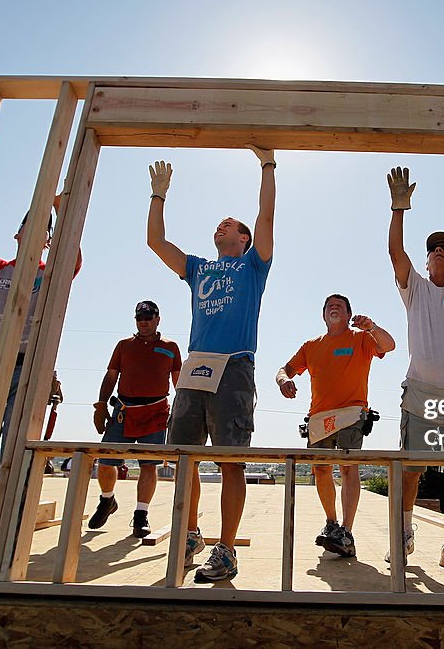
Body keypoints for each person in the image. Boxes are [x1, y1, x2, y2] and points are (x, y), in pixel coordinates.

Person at [145, 145, 276, 583]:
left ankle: (226, 549)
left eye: (231, 224)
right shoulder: (199, 268)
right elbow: (156, 243)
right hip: (195, 368)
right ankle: (190, 533)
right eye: (219, 224)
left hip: (235, 367)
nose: (221, 225)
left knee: (231, 461)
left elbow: (266, 217)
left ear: (243, 239)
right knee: (183, 458)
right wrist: (158, 195)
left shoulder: (253, 266)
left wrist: (267, 162)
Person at [0, 194, 82, 536]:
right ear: (17, 235)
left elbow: (73, 259)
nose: (37, 228)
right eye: (29, 223)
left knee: (16, 454)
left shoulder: (50, 274)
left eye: (45, 227)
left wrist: (60, 207)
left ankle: (5, 535)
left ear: (49, 241)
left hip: (26, 373)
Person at [386, 166, 444, 575]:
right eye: (433, 249)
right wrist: (398, 207)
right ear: (426, 264)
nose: (438, 251)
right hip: (421, 392)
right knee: (410, 472)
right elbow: (395, 253)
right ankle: (405, 534)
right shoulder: (418, 290)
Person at [276, 294, 395, 558]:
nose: (333, 307)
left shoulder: (361, 339)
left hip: (351, 414)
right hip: (319, 418)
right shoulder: (311, 346)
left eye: (339, 305)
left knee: (348, 468)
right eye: (329, 305)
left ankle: (347, 531)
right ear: (323, 315)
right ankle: (332, 524)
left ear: (348, 313)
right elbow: (284, 369)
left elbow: (390, 345)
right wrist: (283, 380)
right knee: (320, 470)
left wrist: (371, 327)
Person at [88, 301, 181, 537]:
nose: (144, 321)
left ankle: (141, 515)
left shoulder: (171, 347)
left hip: (156, 411)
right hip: (123, 410)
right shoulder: (124, 346)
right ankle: (107, 500)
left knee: (149, 465)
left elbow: (178, 382)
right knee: (107, 460)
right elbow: (111, 376)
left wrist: (181, 412)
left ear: (158, 319)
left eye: (148, 317)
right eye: (140, 318)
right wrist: (100, 404)